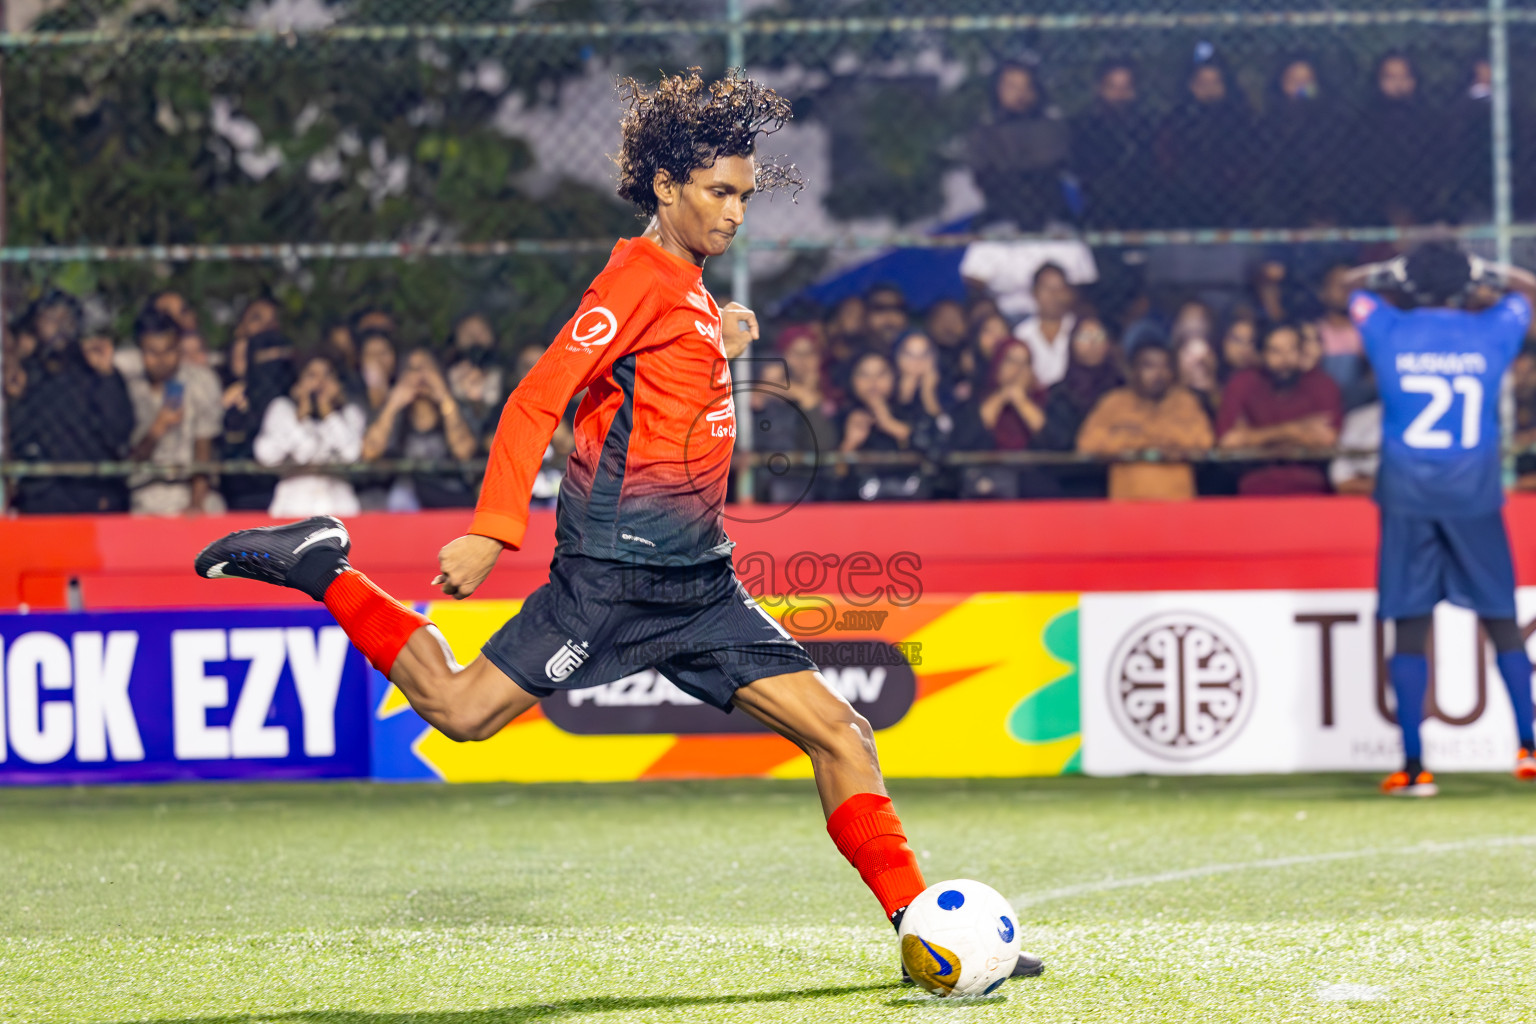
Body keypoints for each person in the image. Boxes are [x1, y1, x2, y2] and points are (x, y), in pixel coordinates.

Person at [192, 69, 1047, 985]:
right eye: (719, 194)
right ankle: (327, 567)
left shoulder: (685, 289)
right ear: (667, 187)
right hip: (608, 582)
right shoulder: (637, 275)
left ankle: (922, 932)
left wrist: (714, 343)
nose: (735, 214)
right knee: (458, 712)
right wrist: (492, 529)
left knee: (843, 733)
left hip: (700, 587)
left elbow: (652, 385)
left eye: (745, 196)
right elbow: (537, 398)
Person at [1342, 244, 1536, 795]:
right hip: (1474, 495)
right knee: (1501, 618)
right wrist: (1487, 272)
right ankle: (1529, 746)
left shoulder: (1387, 328)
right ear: (1467, 285)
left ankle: (1413, 765)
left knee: (1409, 624)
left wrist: (1391, 273)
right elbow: (1530, 291)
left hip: (1407, 495)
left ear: (1407, 284)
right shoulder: (1491, 330)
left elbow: (1344, 286)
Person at [6, 329, 135, 514]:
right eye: (50, 320)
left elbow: (121, 432)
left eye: (64, 321)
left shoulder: (94, 372)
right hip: (43, 503)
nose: (57, 330)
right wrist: (16, 399)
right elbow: (14, 444)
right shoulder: (25, 377)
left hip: (97, 496)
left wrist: (106, 374)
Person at [1215, 323, 1342, 494]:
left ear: (1302, 352)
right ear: (1261, 354)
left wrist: (1254, 437)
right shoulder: (1243, 383)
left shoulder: (1322, 385)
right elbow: (1229, 442)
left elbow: (1328, 439)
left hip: (1313, 493)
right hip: (1254, 492)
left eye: (1292, 350)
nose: (1285, 359)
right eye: (1275, 351)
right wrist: (1295, 430)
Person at [1077, 341, 1214, 500]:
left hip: (1177, 504)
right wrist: (1134, 442)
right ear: (1133, 371)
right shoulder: (1114, 403)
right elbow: (1087, 443)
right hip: (1128, 504)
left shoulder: (1186, 402)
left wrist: (1152, 436)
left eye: (1165, 367)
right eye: (1150, 366)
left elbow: (1205, 440)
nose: (1159, 373)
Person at [126, 308, 225, 515]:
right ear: (141, 352)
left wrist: (196, 504)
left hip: (193, 493)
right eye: (152, 352)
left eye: (168, 350)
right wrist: (157, 428)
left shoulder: (201, 381)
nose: (161, 360)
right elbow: (130, 461)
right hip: (146, 494)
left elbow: (204, 446)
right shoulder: (129, 389)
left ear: (179, 348)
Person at [360, 347, 480, 510]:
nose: (420, 376)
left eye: (426, 368)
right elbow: (369, 452)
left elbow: (464, 451)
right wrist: (393, 404)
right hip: (405, 509)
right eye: (412, 369)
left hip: (451, 502)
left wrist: (445, 398)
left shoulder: (457, 409)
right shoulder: (393, 415)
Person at [253, 352, 366, 517]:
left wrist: (328, 413)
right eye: (312, 375)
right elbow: (299, 454)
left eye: (327, 375)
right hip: (293, 510)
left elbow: (352, 454)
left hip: (339, 510)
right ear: (297, 384)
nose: (320, 382)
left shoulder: (350, 413)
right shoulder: (282, 409)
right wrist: (301, 418)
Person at [965, 59, 1073, 231]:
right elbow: (985, 178)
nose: (1020, 94)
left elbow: (1052, 169)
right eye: (1012, 87)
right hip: (1000, 218)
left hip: (1051, 218)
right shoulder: (984, 133)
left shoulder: (1053, 128)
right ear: (998, 90)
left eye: (1026, 86)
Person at [1155, 43, 1255, 227]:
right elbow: (1168, 163)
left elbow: (1248, 166)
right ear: (1190, 86)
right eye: (1202, 84)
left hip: (1234, 205)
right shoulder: (1176, 123)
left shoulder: (1241, 123)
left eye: (1215, 83)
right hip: (1183, 204)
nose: (1209, 90)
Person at [1350, 52, 1444, 226]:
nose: (1398, 84)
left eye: (1405, 76)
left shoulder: (1429, 119)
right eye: (1390, 77)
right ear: (1378, 81)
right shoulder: (1364, 121)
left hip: (1423, 205)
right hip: (1374, 208)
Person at [1257, 55, 1347, 227]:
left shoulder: (1334, 126)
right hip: (1278, 219)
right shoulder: (1266, 127)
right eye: (1293, 81)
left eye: (1307, 81)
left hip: (1326, 217)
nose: (1300, 88)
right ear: (1280, 85)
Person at [1071, 57, 1153, 229]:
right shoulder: (1081, 128)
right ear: (1099, 89)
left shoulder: (1147, 128)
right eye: (1112, 87)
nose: (1120, 95)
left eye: (1126, 87)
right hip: (1095, 213)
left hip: (1143, 213)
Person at [1314, 263, 1374, 410]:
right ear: (1323, 292)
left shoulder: (1368, 330)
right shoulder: (1313, 331)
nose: (1346, 291)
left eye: (1352, 285)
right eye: (1339, 285)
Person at [1012, 263, 1077, 388]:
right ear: (1034, 293)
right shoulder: (1021, 334)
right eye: (1047, 289)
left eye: (1060, 289)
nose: (1054, 296)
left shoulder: (1079, 328)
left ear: (1069, 294)